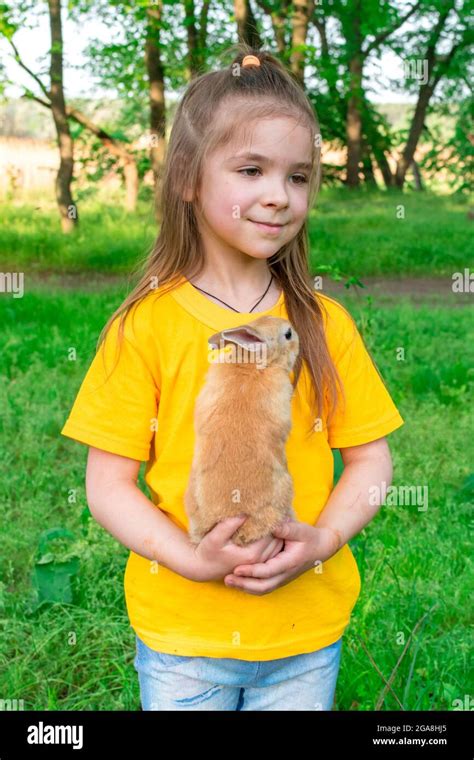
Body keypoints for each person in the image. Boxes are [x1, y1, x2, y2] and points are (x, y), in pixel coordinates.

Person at [61, 45, 404, 711]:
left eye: (299, 177)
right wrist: (189, 559)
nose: (280, 195)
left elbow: (370, 462)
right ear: (188, 177)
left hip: (304, 640)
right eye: (252, 169)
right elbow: (107, 487)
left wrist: (322, 542)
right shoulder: (145, 326)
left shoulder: (322, 323)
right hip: (184, 642)